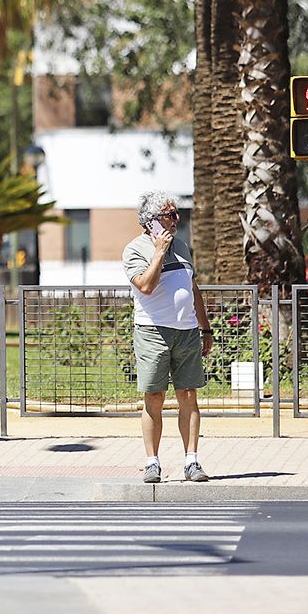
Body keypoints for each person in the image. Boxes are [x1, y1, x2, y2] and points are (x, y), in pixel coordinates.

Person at [123, 191, 214, 483]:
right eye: (170, 215)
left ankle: (192, 461)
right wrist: (159, 252)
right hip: (153, 332)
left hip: (186, 332)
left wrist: (205, 327)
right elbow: (145, 286)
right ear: (152, 221)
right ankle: (152, 462)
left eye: (177, 214)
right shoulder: (134, 250)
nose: (177, 220)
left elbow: (193, 288)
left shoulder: (183, 246)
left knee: (188, 395)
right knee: (154, 396)